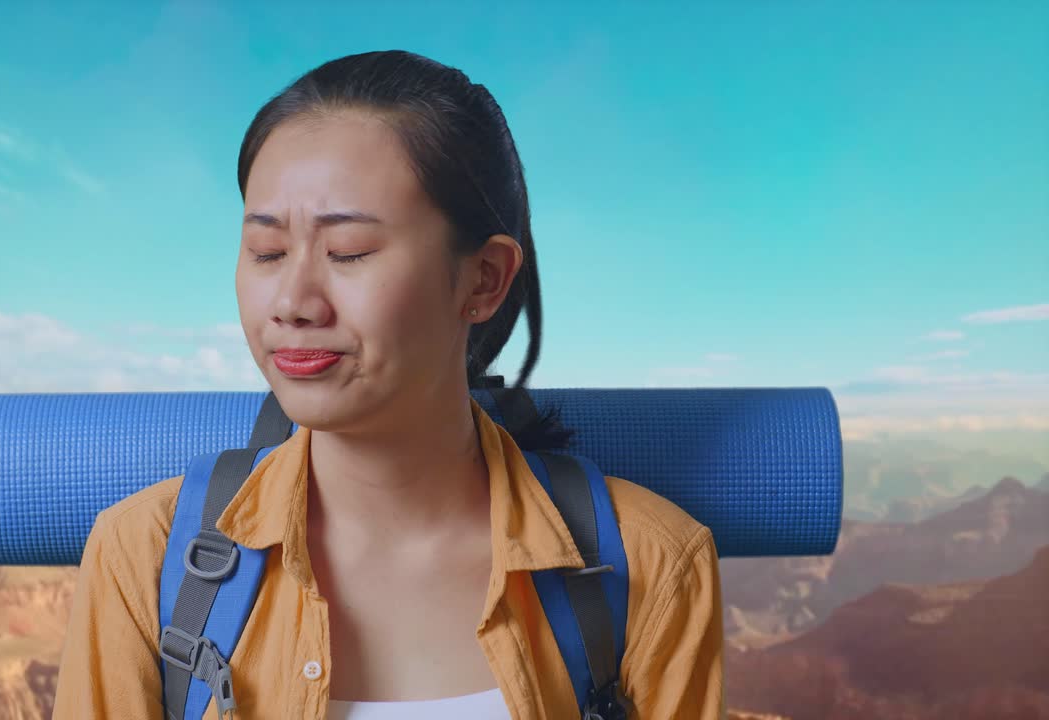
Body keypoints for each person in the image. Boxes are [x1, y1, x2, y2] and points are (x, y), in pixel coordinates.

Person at [52, 49, 725, 719]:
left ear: (484, 278)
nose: (292, 301)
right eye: (267, 252)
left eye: (349, 253)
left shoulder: (654, 566)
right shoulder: (140, 557)